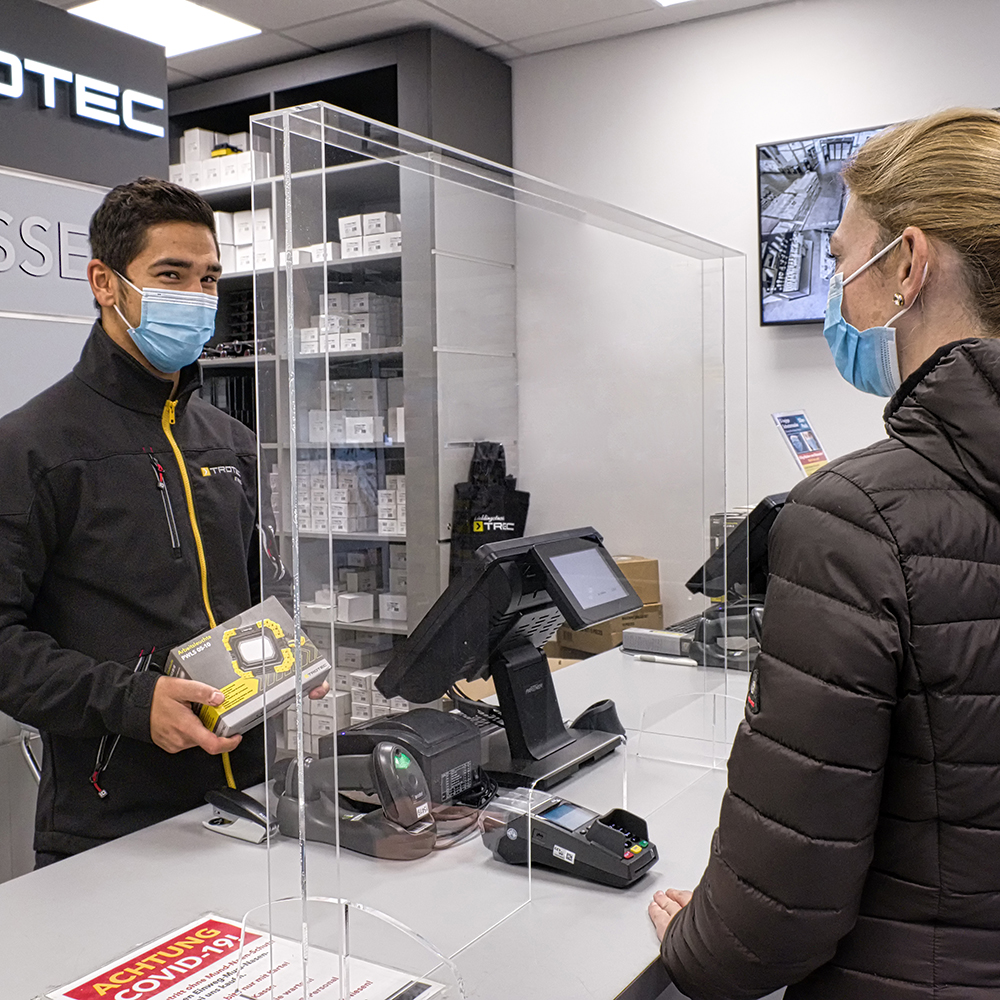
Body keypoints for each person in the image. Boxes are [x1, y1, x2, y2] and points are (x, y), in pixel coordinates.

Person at [648, 108, 1000, 998]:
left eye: (843, 260)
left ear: (909, 267)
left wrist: (694, 946)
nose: (838, 292)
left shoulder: (855, 518)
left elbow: (775, 908)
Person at [0, 178, 320, 868]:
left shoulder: (227, 439)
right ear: (104, 282)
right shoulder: (33, 447)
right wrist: (131, 701)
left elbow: (263, 585)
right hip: (114, 819)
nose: (197, 298)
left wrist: (286, 654)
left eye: (208, 279)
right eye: (170, 275)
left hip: (251, 796)